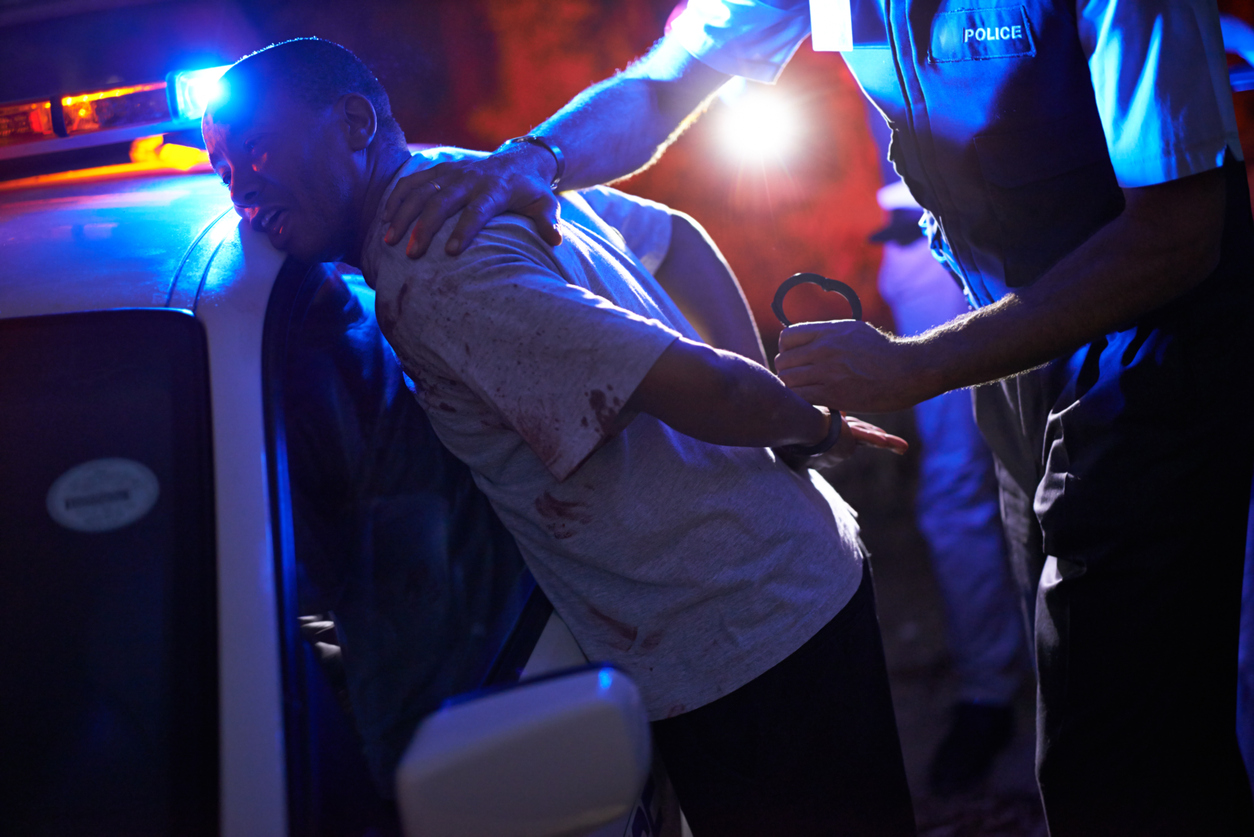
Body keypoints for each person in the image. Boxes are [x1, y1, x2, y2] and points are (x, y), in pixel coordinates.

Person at [379, 2, 1254, 833]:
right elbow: (664, 83)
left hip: (1155, 342)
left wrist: (917, 364)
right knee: (1098, 702)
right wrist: (531, 158)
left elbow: (1177, 236)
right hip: (1021, 344)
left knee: (1121, 749)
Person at [202, 37, 918, 836]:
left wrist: (805, 423)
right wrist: (773, 436)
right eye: (225, 173)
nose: (243, 191)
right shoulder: (467, 175)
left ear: (356, 121)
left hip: (745, 638)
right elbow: (676, 239)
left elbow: (706, 386)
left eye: (259, 154)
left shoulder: (432, 272)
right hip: (788, 573)